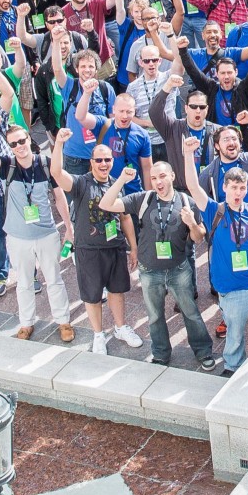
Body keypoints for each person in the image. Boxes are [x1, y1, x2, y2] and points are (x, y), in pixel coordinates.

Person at [101, 158, 216, 370]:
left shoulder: (186, 201)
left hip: (179, 269)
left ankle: (203, 351)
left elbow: (199, 238)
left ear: (172, 176)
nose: (158, 182)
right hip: (149, 270)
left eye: (162, 176)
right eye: (153, 178)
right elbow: (105, 204)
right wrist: (120, 181)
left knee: (190, 312)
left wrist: (191, 223)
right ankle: (161, 353)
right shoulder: (143, 199)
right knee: (154, 316)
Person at [48, 131, 147, 353]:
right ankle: (98, 334)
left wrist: (133, 247)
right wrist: (59, 144)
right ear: (91, 162)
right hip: (89, 249)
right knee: (92, 294)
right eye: (99, 160)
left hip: (114, 247)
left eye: (108, 159)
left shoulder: (116, 183)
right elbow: (56, 172)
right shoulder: (81, 183)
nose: (103, 164)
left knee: (117, 290)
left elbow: (124, 217)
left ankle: (120, 327)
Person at [0, 120, 79, 344]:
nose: (19, 146)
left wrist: (68, 227)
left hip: (46, 233)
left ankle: (63, 321)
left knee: (54, 279)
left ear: (29, 139)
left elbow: (59, 197)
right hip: (17, 237)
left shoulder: (45, 164)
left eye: (22, 140)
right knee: (24, 283)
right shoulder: (7, 166)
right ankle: (26, 323)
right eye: (13, 144)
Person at [184, 164, 248, 376]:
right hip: (231, 289)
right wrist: (187, 154)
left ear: (247, 189)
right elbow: (193, 186)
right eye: (233, 187)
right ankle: (232, 367)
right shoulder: (214, 210)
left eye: (242, 188)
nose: (238, 193)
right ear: (224, 187)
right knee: (235, 334)